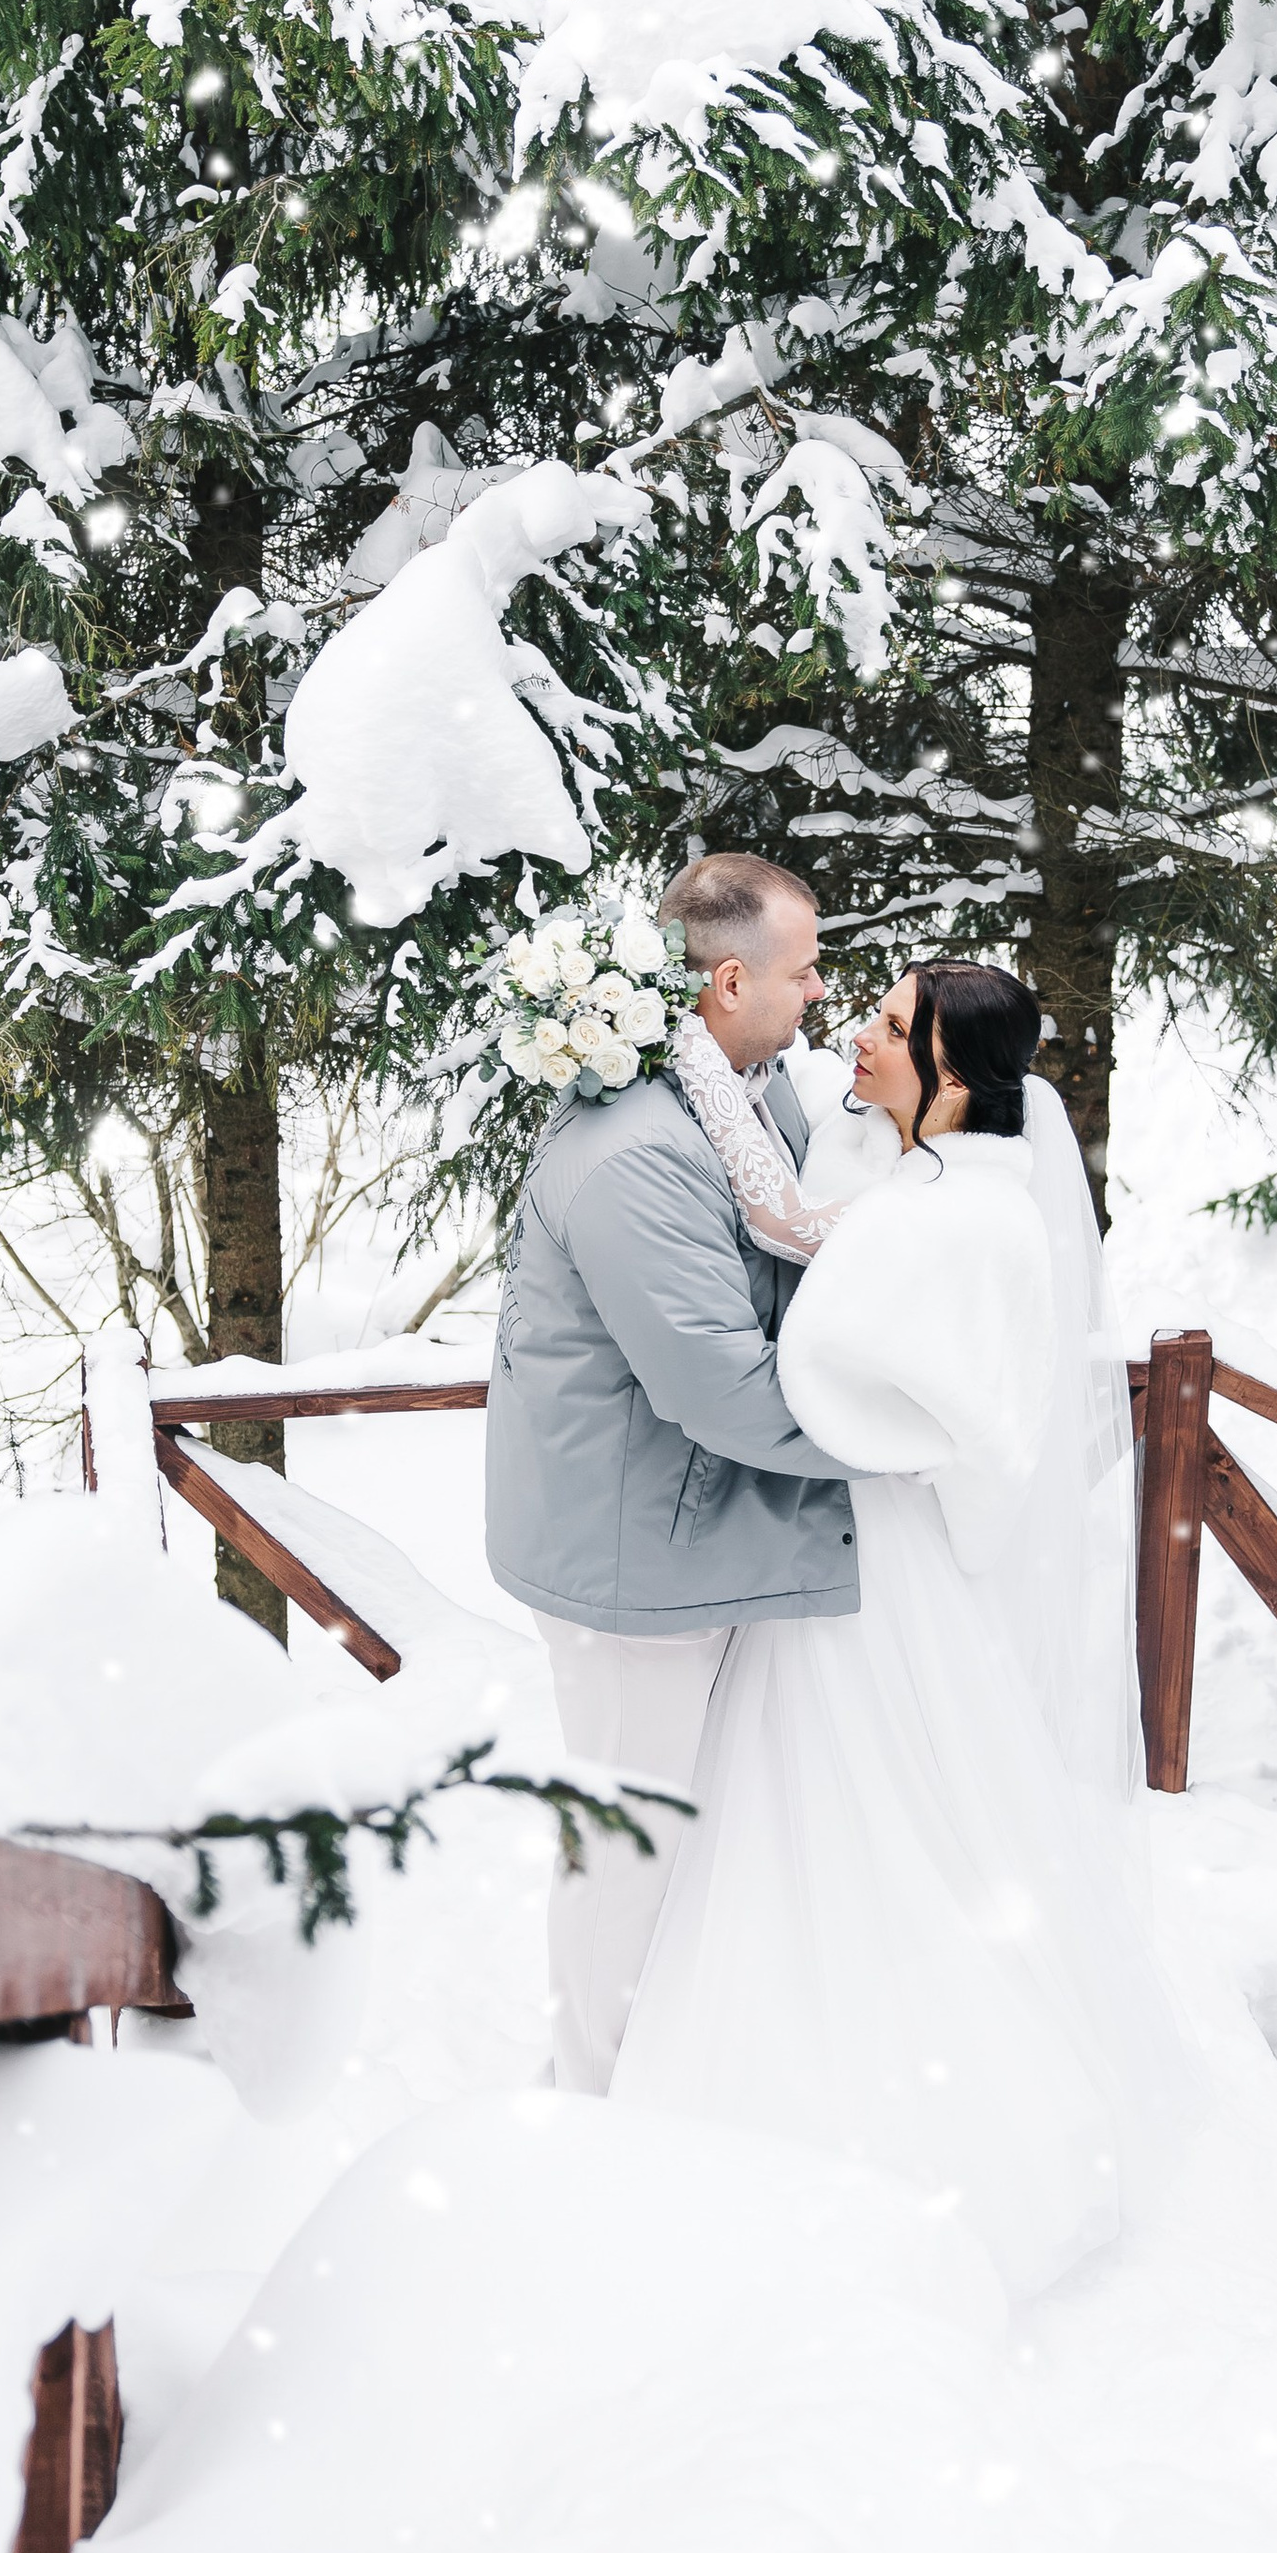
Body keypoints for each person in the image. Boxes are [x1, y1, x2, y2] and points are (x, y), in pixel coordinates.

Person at [611, 956, 1199, 2300]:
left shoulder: (969, 1220)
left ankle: (903, 2090)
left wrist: (787, 1369)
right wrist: (704, 1062)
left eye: (887, 1029)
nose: (857, 1043)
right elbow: (805, 1212)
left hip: (879, 1558)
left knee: (862, 1797)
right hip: (849, 1544)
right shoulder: (915, 1174)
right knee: (819, 1798)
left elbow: (855, 1364)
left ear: (951, 1074)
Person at [484, 852, 857, 2095]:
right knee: (629, 1849)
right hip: (630, 1554)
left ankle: (675, 2073)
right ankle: (589, 2099)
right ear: (730, 978)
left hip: (688, 1530)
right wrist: (899, 1451)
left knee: (695, 1837)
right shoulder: (640, 1150)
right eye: (803, 971)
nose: (820, 994)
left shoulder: (745, 1092)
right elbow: (722, 1389)